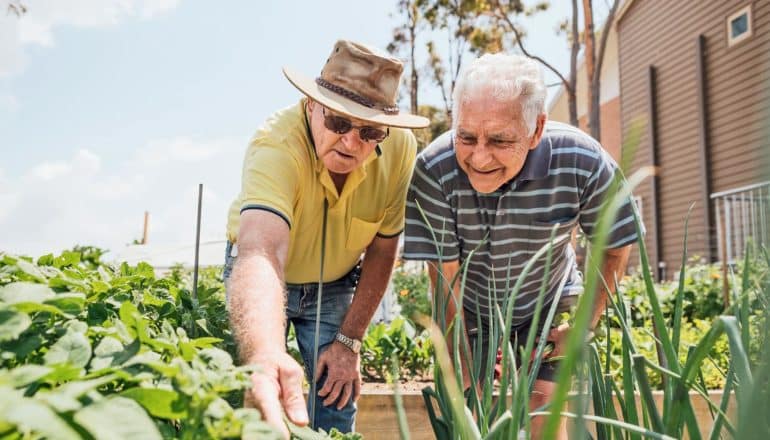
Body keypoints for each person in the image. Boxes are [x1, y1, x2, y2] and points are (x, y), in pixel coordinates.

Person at [403, 53, 639, 439]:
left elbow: (614, 248)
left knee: (543, 406)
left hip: (547, 302)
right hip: (470, 305)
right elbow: (445, 279)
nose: (478, 157)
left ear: (536, 129)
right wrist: (465, 367)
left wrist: (581, 328)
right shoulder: (435, 169)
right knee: (470, 412)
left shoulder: (582, 160)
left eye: (499, 140)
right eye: (466, 136)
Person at [223, 40, 429, 438]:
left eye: (369, 131)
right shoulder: (276, 146)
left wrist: (349, 342)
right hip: (268, 277)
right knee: (260, 395)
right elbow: (261, 250)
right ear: (311, 106)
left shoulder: (401, 149)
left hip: (333, 284)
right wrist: (265, 352)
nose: (351, 143)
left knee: (335, 398)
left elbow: (384, 248)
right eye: (338, 123)